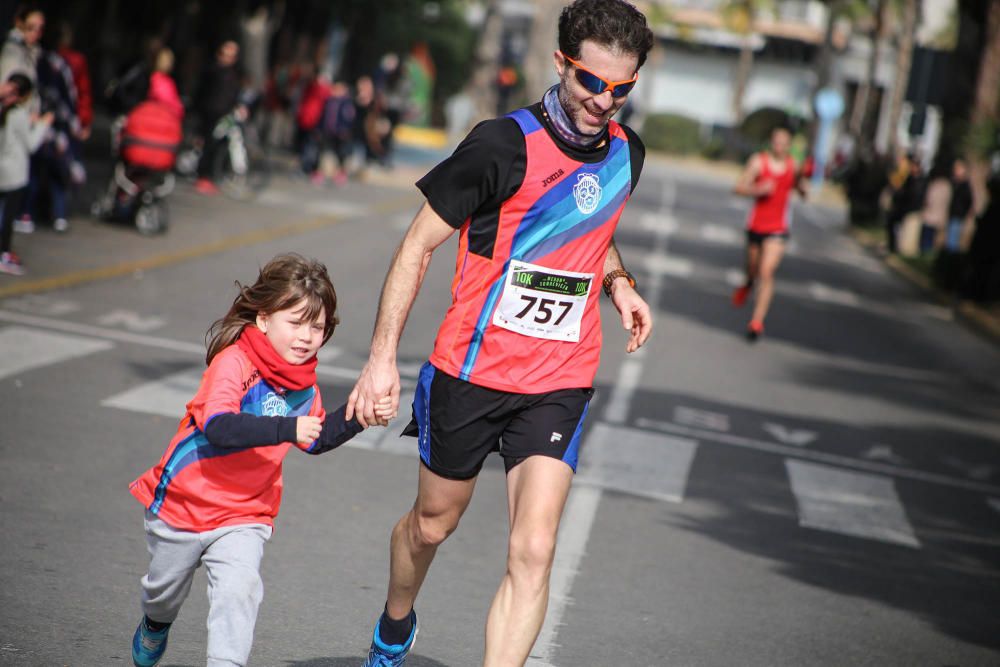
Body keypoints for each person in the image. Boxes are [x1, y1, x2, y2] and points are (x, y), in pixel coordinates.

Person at [346, 1, 654, 665]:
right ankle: (395, 621)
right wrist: (379, 361)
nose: (604, 101)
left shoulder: (628, 155)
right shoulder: (501, 145)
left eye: (620, 88)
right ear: (560, 64)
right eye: (590, 82)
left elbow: (595, 230)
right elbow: (416, 246)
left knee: (534, 548)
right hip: (469, 370)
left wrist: (619, 283)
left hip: (559, 379)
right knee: (434, 523)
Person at [128, 253, 391, 667]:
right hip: (183, 504)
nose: (306, 336)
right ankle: (156, 624)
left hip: (246, 513)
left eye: (317, 326)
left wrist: (361, 415)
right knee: (163, 594)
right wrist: (286, 428)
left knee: (239, 590)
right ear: (264, 319)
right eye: (296, 321)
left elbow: (316, 437)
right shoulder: (233, 362)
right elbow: (219, 425)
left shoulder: (301, 384)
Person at [731, 125, 808, 341]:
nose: (779, 146)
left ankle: (756, 321)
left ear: (789, 146)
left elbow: (801, 189)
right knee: (753, 270)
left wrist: (803, 188)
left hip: (778, 228)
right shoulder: (758, 162)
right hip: (756, 225)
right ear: (771, 143)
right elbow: (738, 188)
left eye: (784, 143)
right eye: (776, 141)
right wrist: (758, 189)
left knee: (766, 272)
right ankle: (747, 283)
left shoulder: (793, 166)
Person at [0, 72, 50, 274]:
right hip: (14, 173)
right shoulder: (18, 114)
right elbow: (31, 144)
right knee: (8, 216)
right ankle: (4, 254)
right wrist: (42, 124)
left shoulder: (5, 110)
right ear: (26, 95)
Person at [193, 39, 243, 195]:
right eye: (224, 53)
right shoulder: (212, 70)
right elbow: (201, 92)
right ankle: (203, 176)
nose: (227, 58)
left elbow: (233, 94)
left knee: (220, 145)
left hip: (225, 115)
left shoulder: (233, 74)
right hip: (209, 112)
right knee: (208, 145)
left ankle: (215, 175)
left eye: (231, 55)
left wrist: (238, 106)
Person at [146, 47, 183, 121]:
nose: (168, 64)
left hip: (167, 119)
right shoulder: (153, 78)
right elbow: (164, 100)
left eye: (170, 61)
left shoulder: (169, 81)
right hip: (155, 118)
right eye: (164, 60)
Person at [946, 157, 974, 252]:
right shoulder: (954, 183)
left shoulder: (965, 185)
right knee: (951, 236)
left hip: (958, 214)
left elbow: (968, 200)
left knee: (953, 238)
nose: (955, 171)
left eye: (958, 169)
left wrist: (963, 212)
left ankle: (951, 257)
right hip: (953, 213)